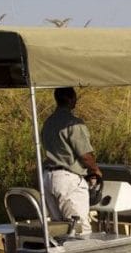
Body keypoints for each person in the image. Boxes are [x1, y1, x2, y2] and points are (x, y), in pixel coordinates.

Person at [41, 87, 102, 234]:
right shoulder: (73, 123)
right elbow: (85, 155)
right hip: (68, 179)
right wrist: (95, 170)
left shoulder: (48, 122)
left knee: (59, 227)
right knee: (79, 226)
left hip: (48, 178)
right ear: (70, 99)